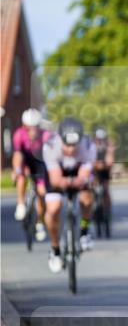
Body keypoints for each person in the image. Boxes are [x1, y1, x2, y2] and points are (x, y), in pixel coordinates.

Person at [42, 118, 97, 272]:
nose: (71, 150)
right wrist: (67, 182)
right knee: (53, 209)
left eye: (75, 145)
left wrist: (80, 181)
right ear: (60, 139)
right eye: (68, 145)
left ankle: (84, 232)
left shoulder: (88, 145)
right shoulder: (51, 146)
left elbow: (85, 175)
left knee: (87, 197)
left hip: (78, 171)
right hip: (57, 172)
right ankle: (55, 249)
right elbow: (55, 179)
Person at [11, 108, 49, 242]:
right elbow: (17, 155)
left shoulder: (45, 136)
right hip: (26, 161)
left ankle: (40, 223)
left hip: (40, 163)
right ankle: (21, 204)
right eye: (29, 128)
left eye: (35, 127)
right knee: (21, 176)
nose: (32, 131)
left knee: (42, 193)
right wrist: (17, 170)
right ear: (24, 126)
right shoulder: (19, 134)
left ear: (39, 126)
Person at [92, 126, 115, 217]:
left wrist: (107, 164)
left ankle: (108, 210)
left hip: (104, 169)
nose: (100, 141)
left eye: (102, 139)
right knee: (92, 188)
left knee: (105, 189)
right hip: (94, 170)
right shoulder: (92, 145)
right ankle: (93, 207)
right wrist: (96, 165)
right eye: (98, 139)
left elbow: (110, 158)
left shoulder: (109, 145)